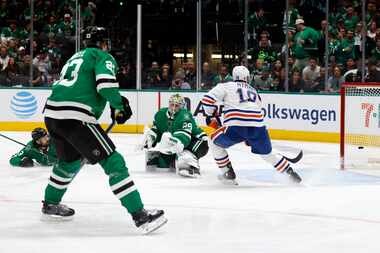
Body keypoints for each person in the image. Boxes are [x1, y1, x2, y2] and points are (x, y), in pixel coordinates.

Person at [41, 26, 167, 234]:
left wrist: (113, 104)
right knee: (114, 162)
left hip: (52, 115)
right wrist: (119, 104)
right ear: (103, 42)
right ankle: (140, 216)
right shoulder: (102, 56)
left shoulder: (75, 57)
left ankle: (50, 203)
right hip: (76, 117)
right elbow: (105, 86)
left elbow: (83, 86)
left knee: (69, 162)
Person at [201, 66, 302, 185]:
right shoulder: (254, 91)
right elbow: (256, 110)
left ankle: (227, 173)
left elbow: (207, 100)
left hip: (236, 125)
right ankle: (290, 173)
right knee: (266, 153)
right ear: (247, 78)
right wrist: (249, 136)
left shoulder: (226, 86)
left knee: (213, 142)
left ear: (233, 76)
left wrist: (210, 115)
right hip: (258, 126)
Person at [138, 94, 208, 178]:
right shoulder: (161, 114)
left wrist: (178, 143)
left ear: (182, 107)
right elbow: (157, 129)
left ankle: (191, 167)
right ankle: (167, 159)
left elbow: (184, 134)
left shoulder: (185, 115)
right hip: (177, 141)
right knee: (163, 163)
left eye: (177, 105)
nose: (174, 107)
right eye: (172, 104)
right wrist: (150, 139)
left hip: (198, 141)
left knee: (185, 153)